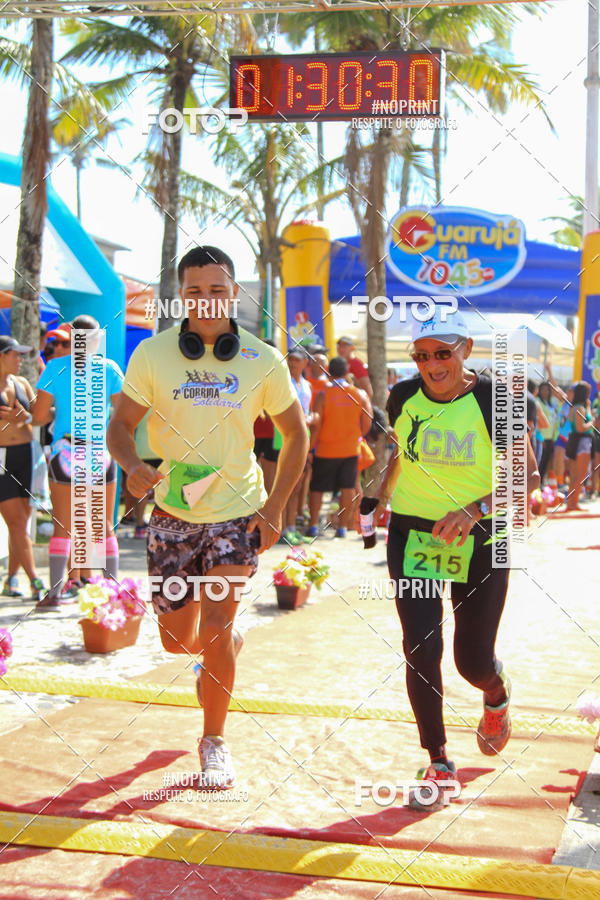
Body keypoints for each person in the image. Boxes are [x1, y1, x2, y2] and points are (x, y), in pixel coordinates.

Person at [107, 245, 308, 789]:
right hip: (172, 514)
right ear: (180, 297)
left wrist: (275, 508)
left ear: (233, 293)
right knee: (178, 641)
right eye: (194, 291)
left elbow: (296, 435)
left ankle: (213, 740)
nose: (207, 301)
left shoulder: (262, 360)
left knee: (217, 625)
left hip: (236, 512)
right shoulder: (152, 355)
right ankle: (221, 650)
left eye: (217, 290)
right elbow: (119, 427)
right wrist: (130, 465)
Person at [368, 307, 539, 809]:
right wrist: (377, 493)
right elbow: (402, 450)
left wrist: (473, 509)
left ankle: (496, 689)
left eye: (441, 353)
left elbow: (526, 475)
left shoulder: (496, 398)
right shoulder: (402, 394)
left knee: (471, 661)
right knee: (420, 647)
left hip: (484, 534)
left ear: (464, 348)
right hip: (414, 534)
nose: (431, 364)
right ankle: (439, 761)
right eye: (421, 356)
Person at [32, 315, 124, 606]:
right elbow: (123, 417)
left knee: (63, 525)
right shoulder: (109, 369)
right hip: (100, 453)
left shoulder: (56, 368)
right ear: (96, 341)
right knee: (105, 525)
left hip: (67, 452)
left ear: (71, 339)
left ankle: (56, 592)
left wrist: (54, 414)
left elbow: (38, 417)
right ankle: (112, 592)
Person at [0, 336, 46, 602]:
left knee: (22, 523)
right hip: (3, 458)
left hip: (27, 456)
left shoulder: (22, 384)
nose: (21, 360)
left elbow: (41, 417)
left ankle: (10, 579)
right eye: (16, 355)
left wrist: (25, 418)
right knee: (17, 522)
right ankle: (35, 580)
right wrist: (14, 423)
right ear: (2, 356)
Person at [307, 356, 372, 538]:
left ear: (329, 372)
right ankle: (342, 528)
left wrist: (310, 448)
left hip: (326, 449)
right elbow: (367, 421)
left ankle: (313, 526)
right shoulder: (360, 394)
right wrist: (357, 436)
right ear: (346, 371)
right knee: (347, 487)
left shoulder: (323, 395)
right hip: (350, 449)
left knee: (317, 488)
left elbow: (317, 426)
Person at [565, 381, 594, 511]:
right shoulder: (579, 408)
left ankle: (571, 503)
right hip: (582, 442)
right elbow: (581, 427)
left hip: (574, 441)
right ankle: (573, 503)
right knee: (581, 474)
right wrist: (593, 422)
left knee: (574, 475)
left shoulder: (574, 407)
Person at [537, 381, 558, 481]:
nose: (545, 391)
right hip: (541, 438)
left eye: (547, 389)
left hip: (550, 438)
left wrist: (554, 437)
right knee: (539, 462)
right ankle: (536, 485)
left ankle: (541, 484)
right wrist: (540, 437)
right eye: (543, 389)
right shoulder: (537, 401)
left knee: (546, 462)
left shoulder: (552, 402)